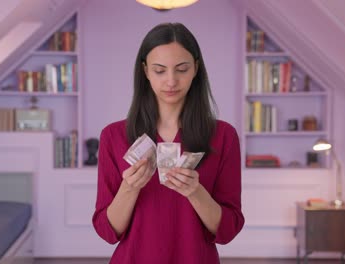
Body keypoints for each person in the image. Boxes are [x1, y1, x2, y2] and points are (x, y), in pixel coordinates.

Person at [92, 22, 245, 264]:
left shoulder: (223, 136)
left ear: (196, 68)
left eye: (181, 69)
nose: (171, 81)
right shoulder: (113, 136)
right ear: (145, 71)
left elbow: (228, 229)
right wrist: (129, 188)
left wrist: (196, 192)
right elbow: (107, 231)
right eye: (160, 70)